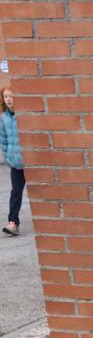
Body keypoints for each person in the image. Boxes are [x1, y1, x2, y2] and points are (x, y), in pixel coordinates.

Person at [1, 86, 25, 237]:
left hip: (30, 161)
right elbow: (3, 140)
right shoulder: (3, 118)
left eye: (11, 96)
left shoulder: (24, 115)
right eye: (5, 97)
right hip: (15, 163)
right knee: (15, 192)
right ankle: (13, 223)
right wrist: (8, 157)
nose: (8, 99)